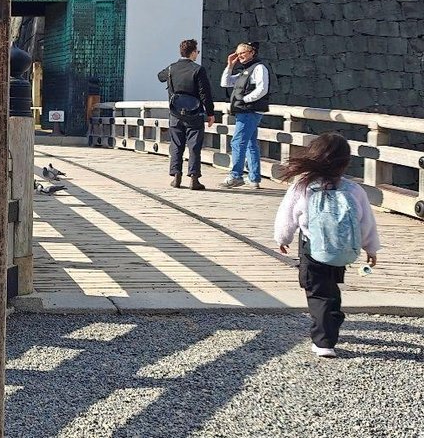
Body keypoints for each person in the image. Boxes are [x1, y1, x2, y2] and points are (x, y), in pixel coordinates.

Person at [273, 133, 380, 358]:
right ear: (345, 162)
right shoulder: (353, 190)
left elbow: (287, 216)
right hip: (342, 248)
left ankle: (324, 341)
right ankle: (332, 320)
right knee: (330, 288)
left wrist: (283, 239)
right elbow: (366, 222)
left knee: (318, 292)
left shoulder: (302, 186)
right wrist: (370, 248)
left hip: (312, 247)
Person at [157, 39, 214, 189]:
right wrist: (210, 113)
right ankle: (194, 178)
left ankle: (176, 176)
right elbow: (204, 93)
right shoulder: (198, 69)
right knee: (194, 145)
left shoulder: (171, 69)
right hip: (194, 113)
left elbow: (160, 76)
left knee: (176, 144)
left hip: (175, 113)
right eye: (197, 52)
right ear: (193, 52)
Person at [220, 42, 271, 188]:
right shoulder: (245, 70)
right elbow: (226, 82)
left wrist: (245, 99)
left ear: (252, 52)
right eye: (238, 53)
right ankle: (254, 178)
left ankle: (236, 175)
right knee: (250, 143)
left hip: (250, 110)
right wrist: (230, 65)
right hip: (244, 110)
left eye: (243, 52)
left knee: (237, 142)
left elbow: (262, 88)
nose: (239, 56)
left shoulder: (259, 68)